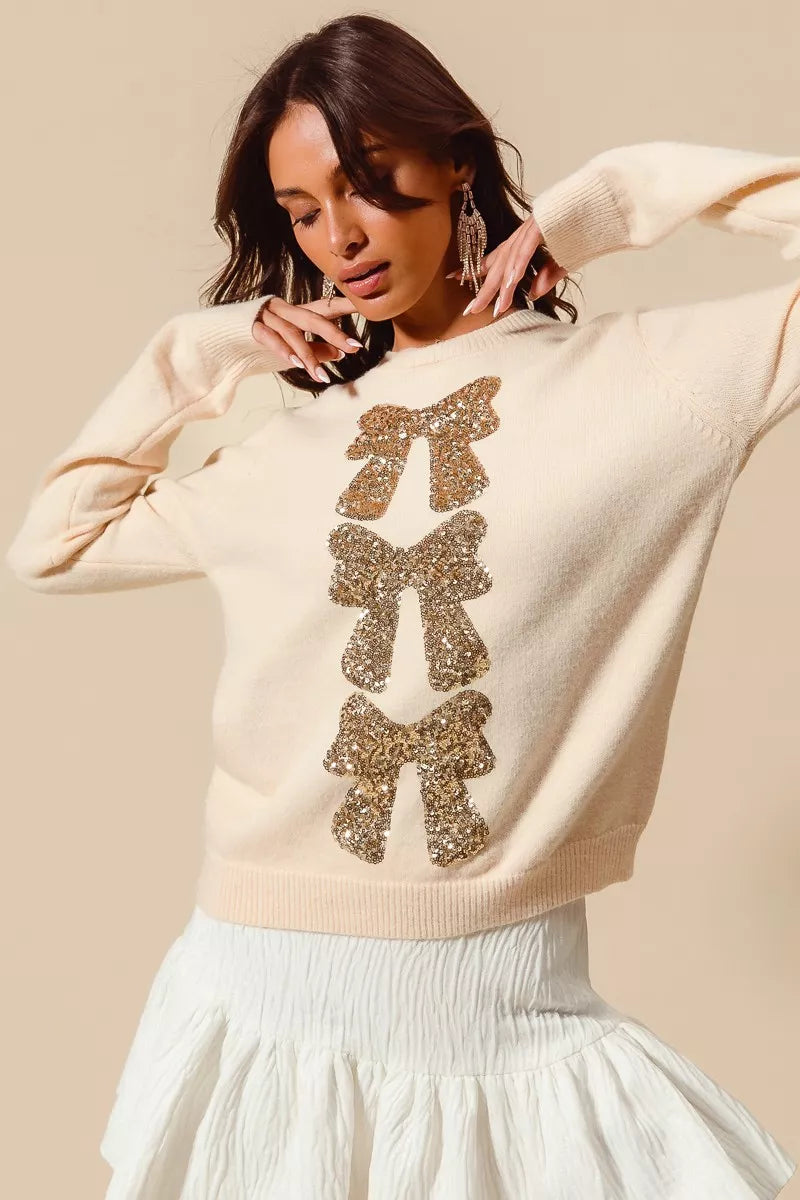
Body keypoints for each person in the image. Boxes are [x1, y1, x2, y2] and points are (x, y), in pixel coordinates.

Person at [5, 12, 798, 1199]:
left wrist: (609, 202)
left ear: (454, 161)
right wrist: (201, 354)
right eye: (300, 211)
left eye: (364, 182)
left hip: (501, 1014)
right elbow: (56, 545)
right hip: (249, 1001)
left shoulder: (653, 386)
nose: (337, 238)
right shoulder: (289, 444)